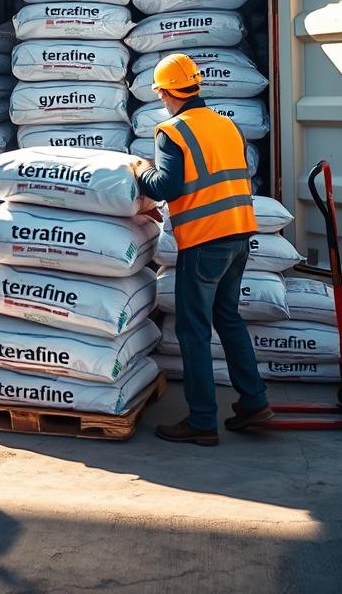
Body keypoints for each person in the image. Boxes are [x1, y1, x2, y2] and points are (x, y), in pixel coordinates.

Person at [132, 54, 271, 446]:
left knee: (194, 330)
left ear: (164, 92)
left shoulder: (172, 131)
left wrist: (140, 172)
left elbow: (167, 186)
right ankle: (254, 401)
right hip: (240, 234)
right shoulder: (228, 126)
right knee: (228, 318)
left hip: (205, 240)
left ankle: (202, 420)